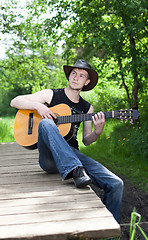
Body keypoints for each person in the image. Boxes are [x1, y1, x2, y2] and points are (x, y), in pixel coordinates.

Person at [10, 59, 123, 222]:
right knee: (47, 123)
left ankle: (109, 232)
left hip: (73, 154)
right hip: (49, 157)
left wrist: (97, 132)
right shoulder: (52, 95)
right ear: (69, 76)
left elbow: (86, 140)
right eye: (73, 73)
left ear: (87, 81)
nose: (76, 77)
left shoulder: (87, 108)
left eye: (81, 75)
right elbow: (15, 101)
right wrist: (38, 106)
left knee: (117, 183)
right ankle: (76, 170)